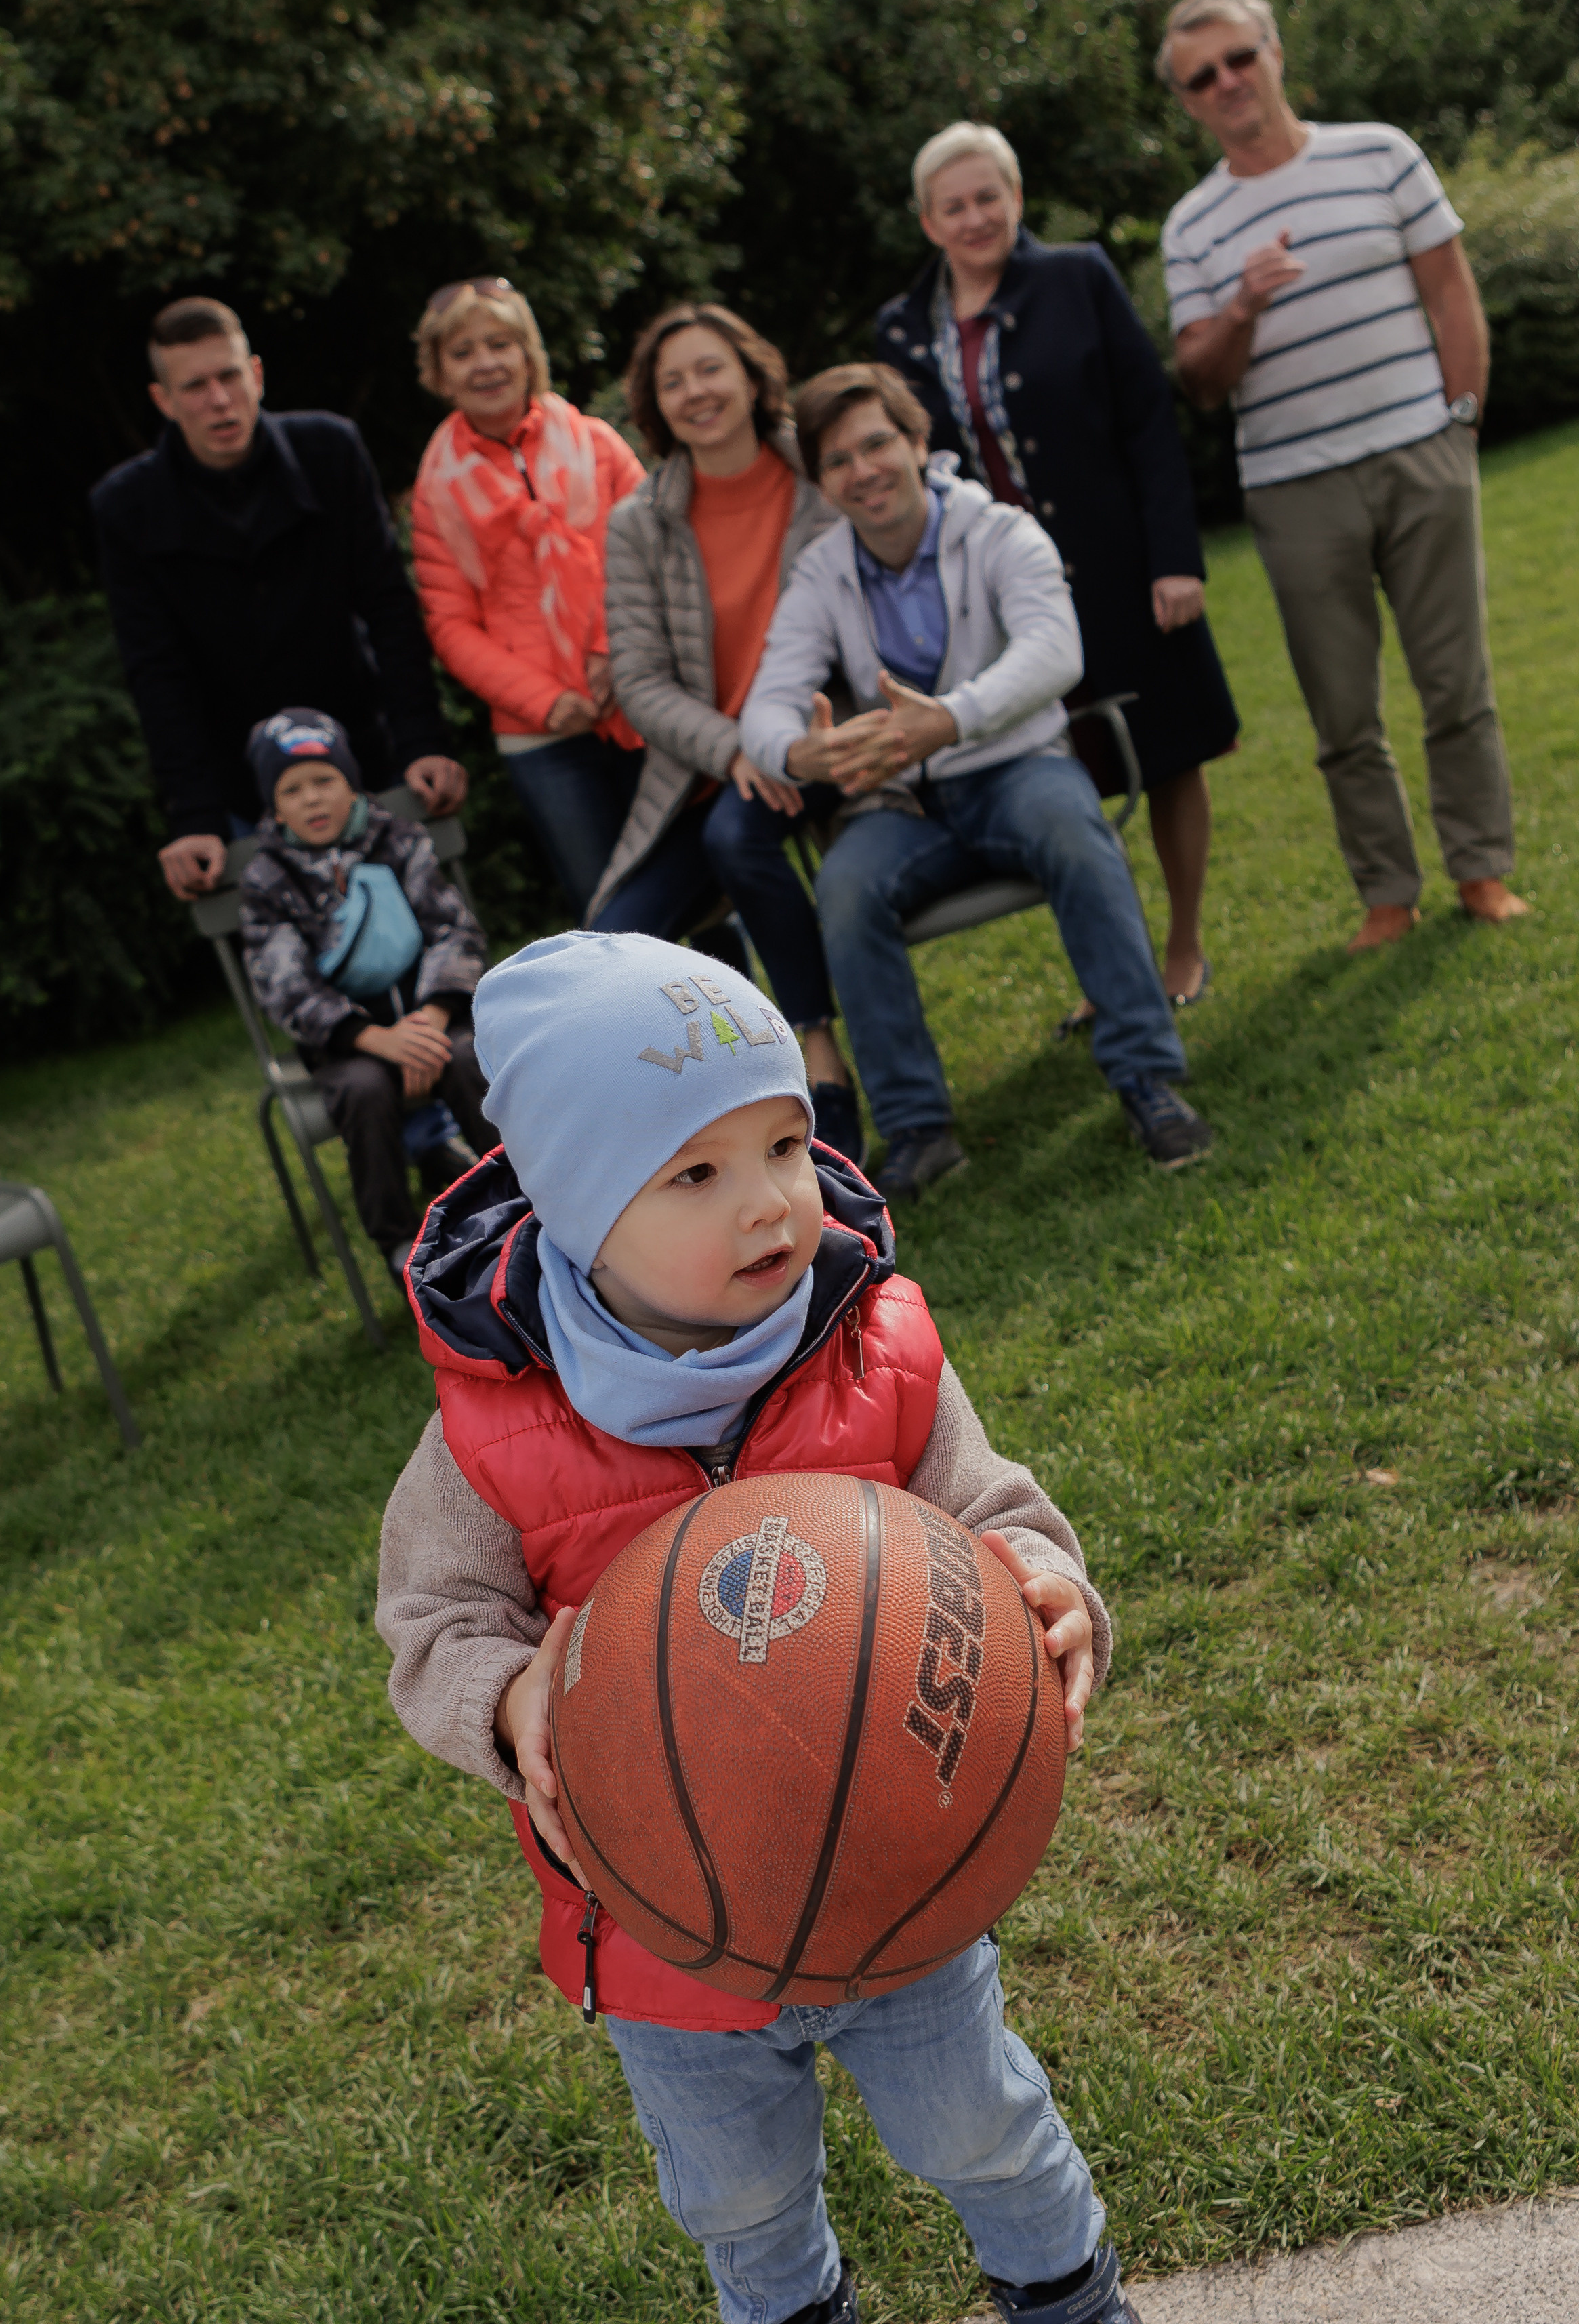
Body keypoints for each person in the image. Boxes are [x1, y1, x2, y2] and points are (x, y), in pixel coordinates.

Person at [375, 928, 1141, 2324]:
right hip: (664, 1916)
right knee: (736, 2193)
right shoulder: (490, 1434)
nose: (770, 1205)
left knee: (979, 2128)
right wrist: (507, 1699)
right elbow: (431, 1625)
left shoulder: (876, 1344)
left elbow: (994, 1506)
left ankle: (1070, 2299)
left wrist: (1044, 1583)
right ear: (572, 1207)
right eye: (695, 1173)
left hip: (903, 1867)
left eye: (786, 1145)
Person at [739, 363, 1213, 1194]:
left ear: (919, 443)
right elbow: (769, 703)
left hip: (1016, 766)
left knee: (1074, 832)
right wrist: (796, 754)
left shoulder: (1001, 531)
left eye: (878, 443)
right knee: (845, 893)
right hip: (902, 800)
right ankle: (917, 1127)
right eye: (840, 460)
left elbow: (1053, 651)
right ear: (821, 481)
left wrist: (950, 716)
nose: (864, 470)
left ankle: (1145, 1078)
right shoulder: (820, 570)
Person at [1158, 0, 1528, 950]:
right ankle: (1387, 894)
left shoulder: (1381, 153)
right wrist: (1240, 308)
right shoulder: (1192, 227)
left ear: (1276, 52)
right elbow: (1199, 380)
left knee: (1457, 684)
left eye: (1241, 58)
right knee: (1342, 711)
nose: (1228, 82)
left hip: (1421, 455)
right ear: (1188, 102)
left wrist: (1461, 422)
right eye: (1204, 77)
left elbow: (1452, 294)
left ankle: (1483, 872)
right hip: (1293, 489)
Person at [878, 121, 1239, 1013]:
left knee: (1166, 754)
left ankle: (1183, 944)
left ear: (1016, 198)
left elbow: (1149, 420)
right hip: (996, 601)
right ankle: (1112, 962)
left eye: (988, 198)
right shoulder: (901, 329)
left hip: (1116, 568)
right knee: (1059, 775)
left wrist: (1174, 560)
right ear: (928, 221)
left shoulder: (1078, 277)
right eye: (954, 205)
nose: (975, 218)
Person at [593, 302, 863, 1164]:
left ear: (752, 376)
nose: (694, 392)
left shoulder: (820, 480)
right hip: (702, 771)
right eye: (671, 381)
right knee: (610, 941)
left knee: (739, 838)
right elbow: (636, 681)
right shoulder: (640, 522)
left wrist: (778, 743)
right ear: (652, 403)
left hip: (818, 741)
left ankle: (817, 1056)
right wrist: (735, 750)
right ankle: (701, 1143)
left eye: (710, 369)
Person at [91, 296, 468, 902]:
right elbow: (156, 672)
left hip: (365, 755)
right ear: (163, 401)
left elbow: (388, 606)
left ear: (256, 375)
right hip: (243, 789)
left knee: (433, 946)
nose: (218, 400)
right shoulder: (126, 509)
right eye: (194, 387)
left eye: (229, 376)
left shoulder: (332, 452)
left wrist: (423, 742)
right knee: (299, 980)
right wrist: (195, 818)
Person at [408, 274, 648, 918]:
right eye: (463, 352)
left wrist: (611, 651)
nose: (485, 363)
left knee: (706, 891)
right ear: (439, 371)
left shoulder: (596, 442)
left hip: (640, 691)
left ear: (528, 353)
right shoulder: (435, 490)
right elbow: (451, 626)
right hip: (541, 734)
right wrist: (546, 702)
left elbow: (650, 553)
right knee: (608, 916)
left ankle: (738, 1021)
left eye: (500, 344)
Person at [239, 709, 495, 1282]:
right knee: (363, 1090)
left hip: (436, 1019)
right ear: (275, 807)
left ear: (351, 783)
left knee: (464, 1056)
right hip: (350, 1045)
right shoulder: (267, 880)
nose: (313, 800)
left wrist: (429, 1019)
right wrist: (377, 1039)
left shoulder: (398, 839)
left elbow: (454, 930)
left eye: (325, 781)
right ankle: (402, 1244)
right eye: (293, 790)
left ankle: (520, 1195)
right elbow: (284, 984)